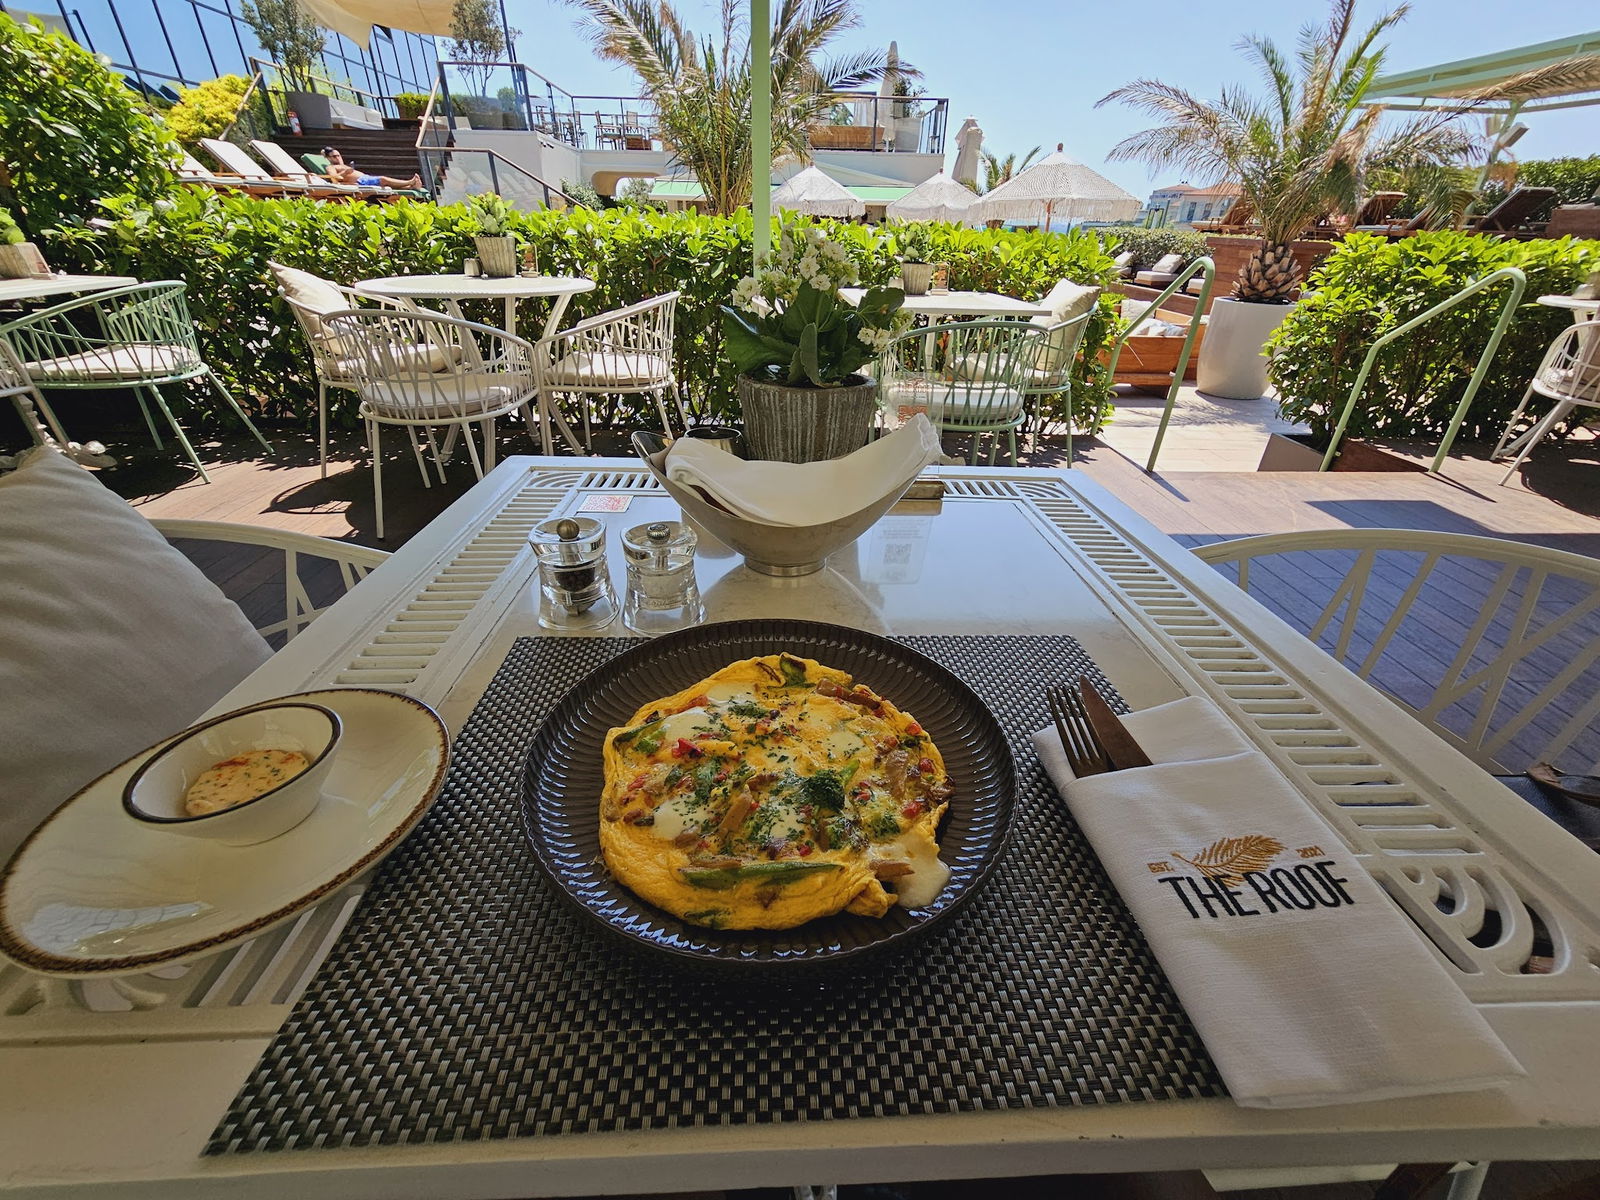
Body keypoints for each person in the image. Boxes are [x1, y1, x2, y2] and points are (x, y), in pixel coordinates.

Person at [320, 147, 421, 190]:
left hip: (364, 178)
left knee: (385, 182)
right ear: (328, 158)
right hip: (361, 181)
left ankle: (410, 187)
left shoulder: (343, 165)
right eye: (334, 156)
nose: (338, 158)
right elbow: (333, 179)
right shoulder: (331, 167)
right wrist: (345, 173)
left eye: (339, 155)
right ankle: (410, 182)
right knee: (383, 179)